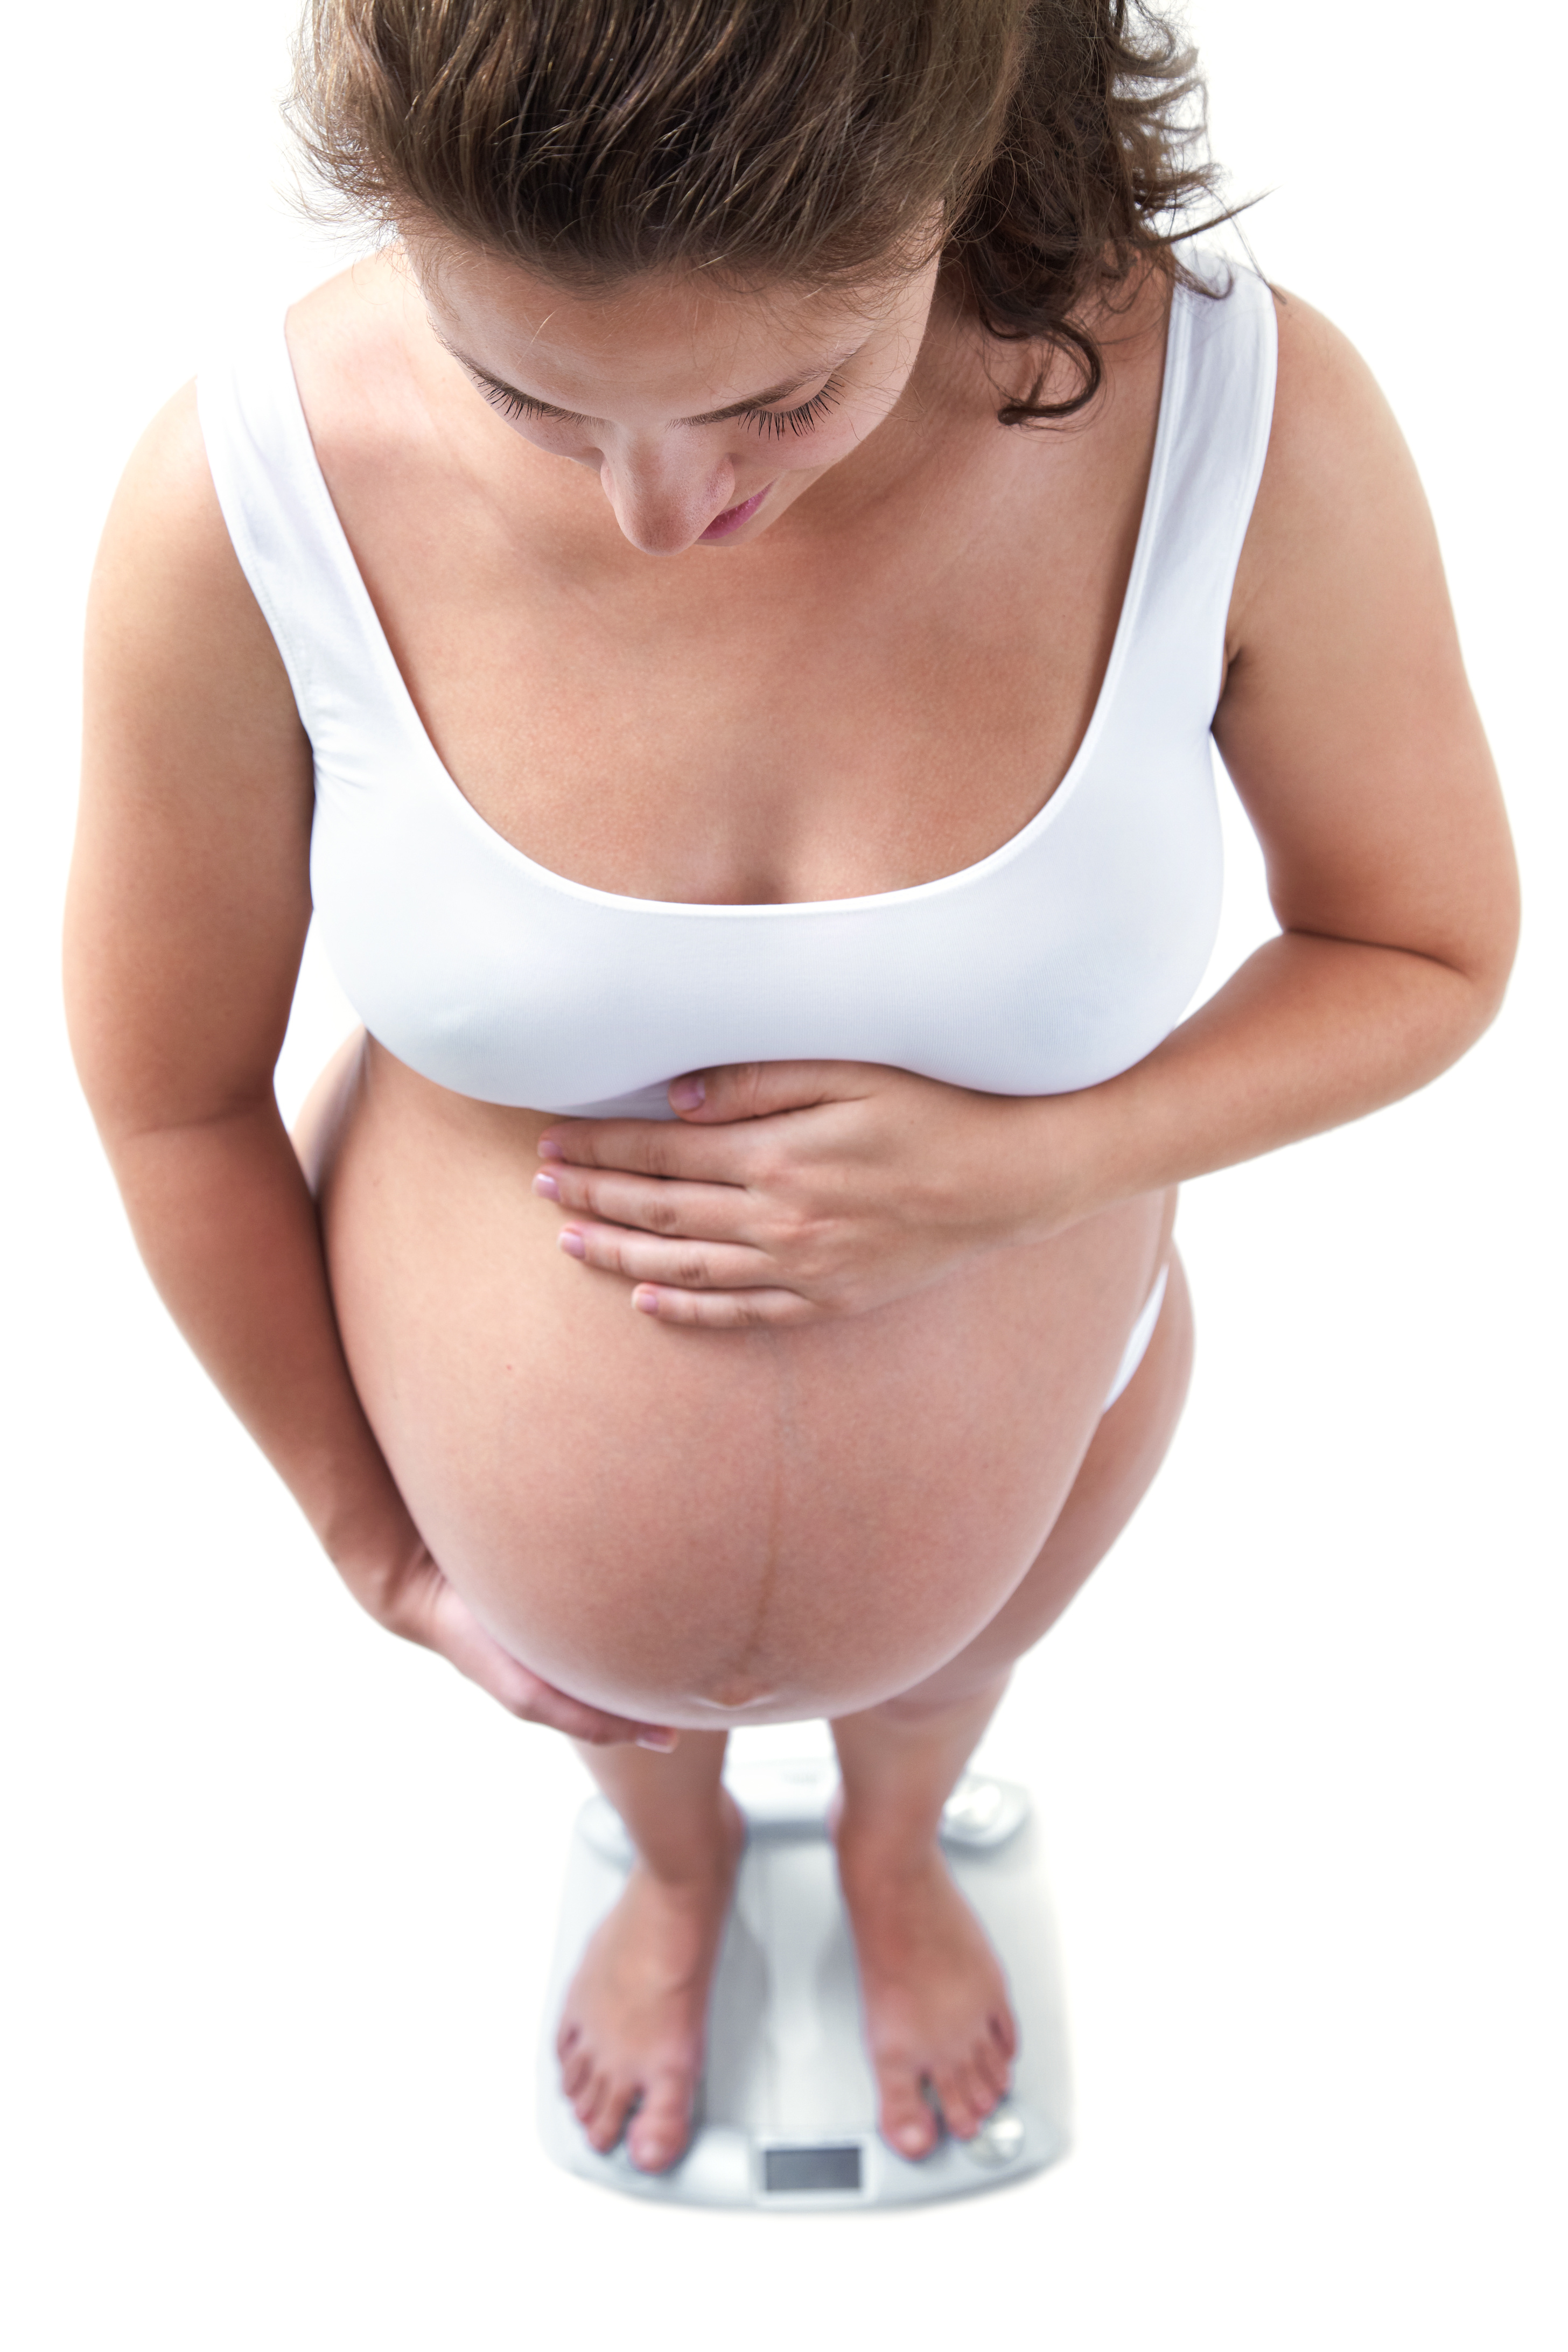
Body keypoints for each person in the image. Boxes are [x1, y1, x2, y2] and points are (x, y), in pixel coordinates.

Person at [63, 0, 1517, 2179]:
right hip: (515, 1556)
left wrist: (1024, 1178)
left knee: (938, 1674)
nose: (666, 511)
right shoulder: (248, 489)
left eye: (774, 397)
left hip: (1037, 1445)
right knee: (618, 1717)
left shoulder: (1239, 422)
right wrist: (379, 1554)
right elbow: (171, 1094)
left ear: (943, 199)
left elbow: (1424, 949)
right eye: (529, 396)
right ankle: (668, 1870)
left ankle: (897, 1843)